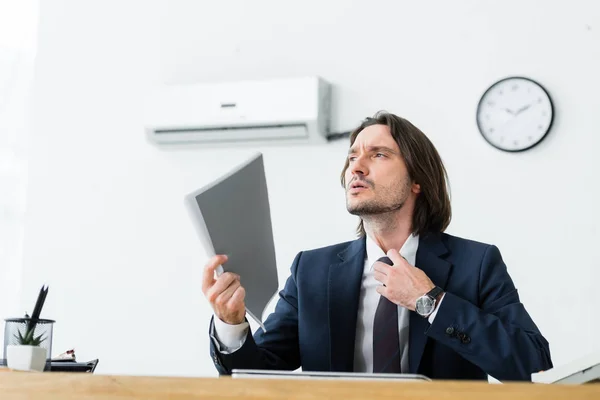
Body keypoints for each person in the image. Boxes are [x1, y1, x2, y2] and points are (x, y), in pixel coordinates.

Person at [201, 111, 553, 381]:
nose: (357, 167)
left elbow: (530, 362)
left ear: (417, 180)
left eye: (379, 154)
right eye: (353, 156)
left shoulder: (475, 263)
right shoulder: (311, 269)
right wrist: (230, 324)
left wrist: (430, 301)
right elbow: (257, 376)